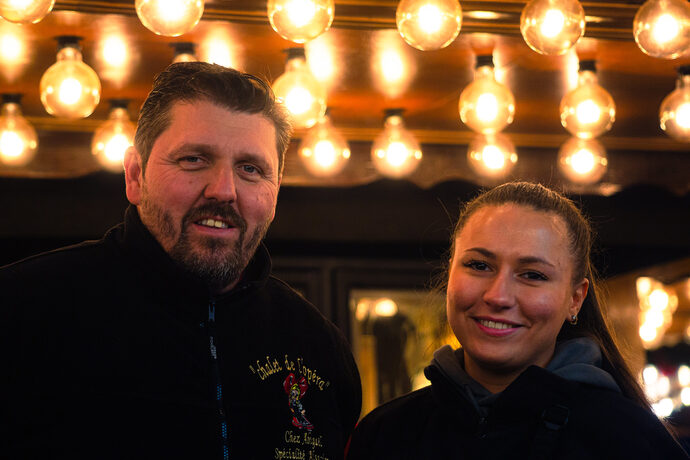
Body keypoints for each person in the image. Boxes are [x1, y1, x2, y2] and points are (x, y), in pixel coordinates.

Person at [1, 62, 361, 460]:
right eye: (194, 159)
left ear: (276, 189)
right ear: (135, 176)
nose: (223, 190)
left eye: (250, 169)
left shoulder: (319, 348)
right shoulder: (22, 309)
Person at [346, 182, 688, 459]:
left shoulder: (632, 442)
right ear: (449, 271)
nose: (498, 296)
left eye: (532, 275)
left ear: (575, 298)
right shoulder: (385, 435)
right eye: (479, 265)